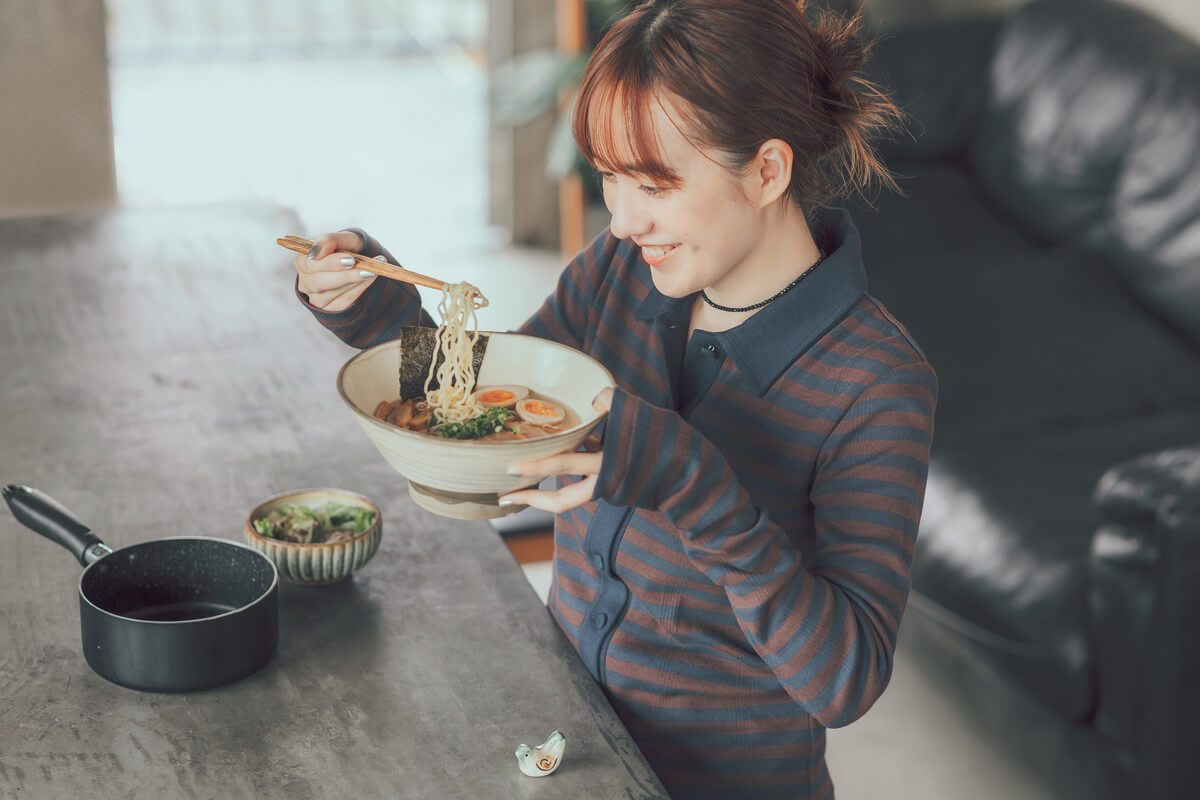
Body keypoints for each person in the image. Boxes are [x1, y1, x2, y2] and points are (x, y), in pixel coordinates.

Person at [293, 1, 937, 797]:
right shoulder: (619, 274)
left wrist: (691, 483)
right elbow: (501, 424)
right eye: (610, 177)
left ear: (767, 170)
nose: (624, 219)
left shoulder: (876, 382)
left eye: (654, 183)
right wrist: (378, 310)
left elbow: (844, 681)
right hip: (581, 756)